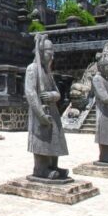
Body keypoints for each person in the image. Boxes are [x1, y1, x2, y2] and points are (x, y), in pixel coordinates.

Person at [25, 33, 69, 179]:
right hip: (40, 113)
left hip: (53, 111)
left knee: (54, 139)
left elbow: (57, 93)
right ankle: (41, 168)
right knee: (42, 140)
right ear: (42, 52)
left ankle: (53, 166)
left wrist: (52, 95)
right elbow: (30, 93)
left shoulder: (47, 72)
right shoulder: (32, 68)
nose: (52, 56)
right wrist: (41, 114)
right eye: (50, 52)